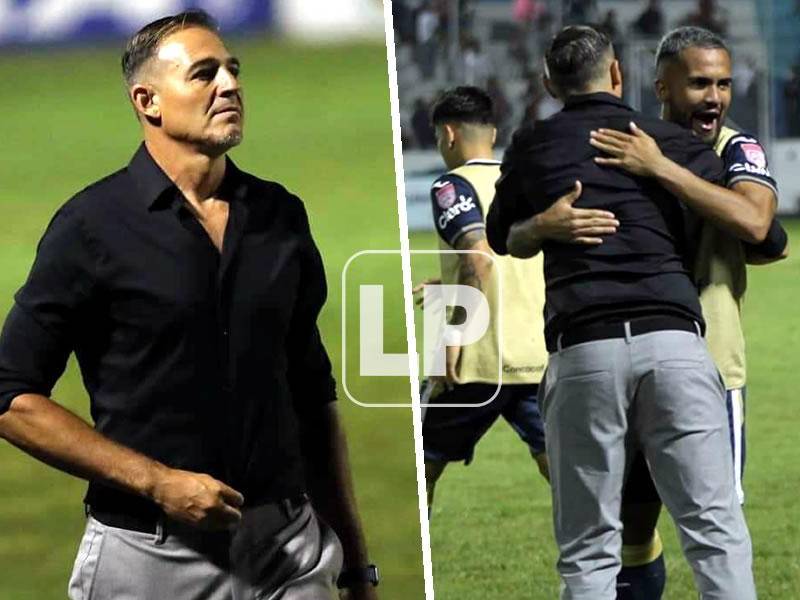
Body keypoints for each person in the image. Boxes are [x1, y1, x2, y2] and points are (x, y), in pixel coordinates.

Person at [0, 11, 379, 600]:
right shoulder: (91, 227)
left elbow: (312, 394)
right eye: (204, 74)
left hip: (290, 552)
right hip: (149, 557)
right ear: (147, 100)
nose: (229, 85)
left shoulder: (281, 217)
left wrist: (356, 567)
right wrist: (156, 482)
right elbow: (10, 397)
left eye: (232, 70)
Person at [486, 26, 757, 600]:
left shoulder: (533, 144)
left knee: (588, 550)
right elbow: (762, 232)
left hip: (584, 349)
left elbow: (501, 237)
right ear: (618, 75)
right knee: (714, 532)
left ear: (547, 83)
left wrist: (541, 226)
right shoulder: (671, 144)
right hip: (676, 344)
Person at [585, 25, 788, 598]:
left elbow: (756, 223)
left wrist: (662, 170)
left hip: (711, 363)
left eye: (722, 83)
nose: (715, 97)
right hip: (626, 356)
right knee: (630, 525)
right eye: (700, 84)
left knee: (715, 525)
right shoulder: (624, 145)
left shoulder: (736, 149)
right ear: (662, 88)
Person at [414, 86, 549, 512]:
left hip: (477, 361)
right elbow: (512, 258)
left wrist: (454, 334)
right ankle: (624, 558)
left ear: (449, 135)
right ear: (491, 134)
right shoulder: (525, 181)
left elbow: (480, 256)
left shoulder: (453, 187)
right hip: (534, 354)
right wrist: (448, 280)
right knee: (564, 469)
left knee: (421, 465)